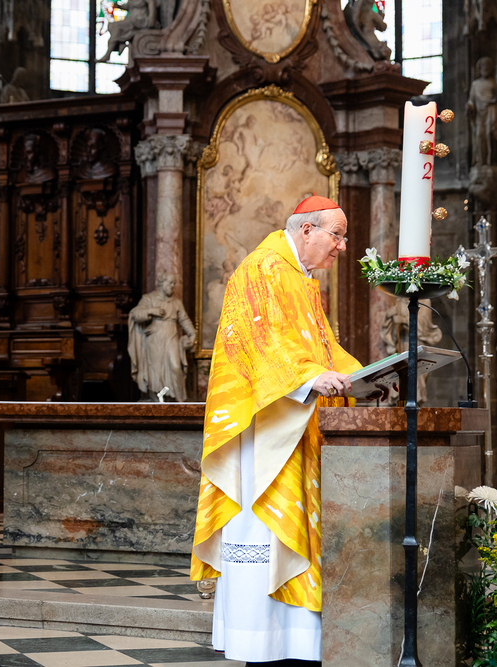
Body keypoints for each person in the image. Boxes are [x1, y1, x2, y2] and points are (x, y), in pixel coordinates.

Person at [192, 196, 363, 666]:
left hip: (298, 426)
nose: (342, 246)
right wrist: (309, 379)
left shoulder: (302, 280)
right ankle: (262, 644)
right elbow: (260, 342)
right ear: (307, 230)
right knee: (265, 534)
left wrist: (369, 376)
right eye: (337, 235)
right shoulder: (262, 268)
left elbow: (324, 350)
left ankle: (297, 646)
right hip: (265, 433)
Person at [128, 274, 197, 402]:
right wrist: (151, 311)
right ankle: (157, 400)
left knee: (176, 367)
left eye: (174, 283)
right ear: (161, 283)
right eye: (170, 283)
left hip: (171, 337)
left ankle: (179, 400)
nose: (172, 286)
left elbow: (184, 319)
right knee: (155, 370)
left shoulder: (176, 302)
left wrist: (192, 334)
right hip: (155, 338)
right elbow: (135, 314)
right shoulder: (149, 298)